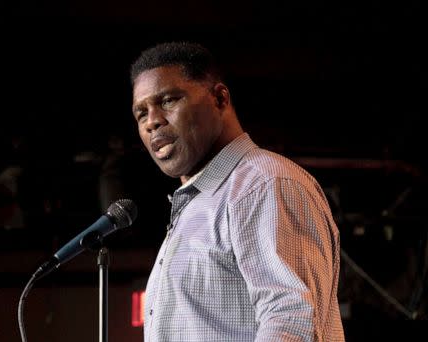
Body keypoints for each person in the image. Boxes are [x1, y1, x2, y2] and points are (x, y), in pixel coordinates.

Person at [129, 41, 345, 341]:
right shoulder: (197, 204)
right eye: (141, 113)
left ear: (219, 98)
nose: (152, 121)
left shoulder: (264, 185)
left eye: (168, 100)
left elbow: (292, 322)